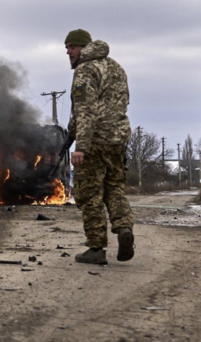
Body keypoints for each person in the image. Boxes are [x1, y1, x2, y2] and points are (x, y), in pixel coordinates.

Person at [65, 28, 135, 265]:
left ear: (84, 47)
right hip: (117, 139)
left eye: (72, 47)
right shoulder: (115, 67)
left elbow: (85, 111)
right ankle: (124, 228)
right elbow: (123, 101)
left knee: (89, 194)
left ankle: (96, 248)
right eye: (66, 47)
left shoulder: (86, 70)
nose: (68, 52)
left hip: (94, 141)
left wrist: (80, 146)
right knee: (114, 187)